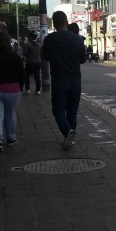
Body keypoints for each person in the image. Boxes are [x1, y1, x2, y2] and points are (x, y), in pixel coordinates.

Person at [42, 10, 87, 150]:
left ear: (54, 24)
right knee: (72, 110)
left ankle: (68, 132)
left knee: (59, 110)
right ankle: (70, 138)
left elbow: (46, 57)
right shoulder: (77, 39)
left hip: (59, 80)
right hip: (75, 80)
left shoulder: (49, 39)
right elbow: (82, 59)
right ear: (66, 22)